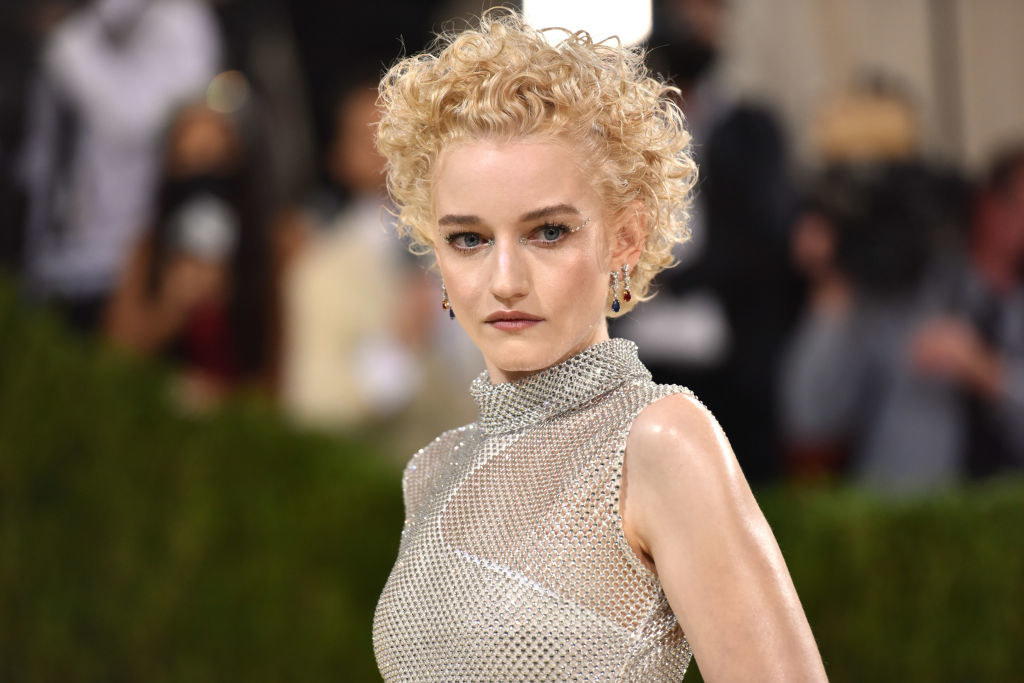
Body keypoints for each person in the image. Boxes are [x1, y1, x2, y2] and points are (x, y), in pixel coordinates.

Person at [370, 11, 827, 681]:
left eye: (547, 231)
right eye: (468, 239)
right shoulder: (433, 472)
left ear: (625, 236)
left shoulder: (660, 441)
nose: (505, 280)